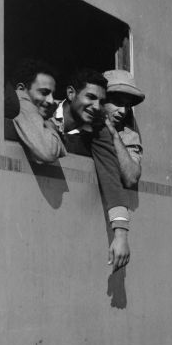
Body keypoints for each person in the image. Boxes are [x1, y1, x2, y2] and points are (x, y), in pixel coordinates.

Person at [50, 68, 131, 271]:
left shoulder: (99, 130)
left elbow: (111, 178)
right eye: (91, 97)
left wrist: (120, 235)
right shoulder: (46, 109)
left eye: (102, 102)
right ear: (70, 94)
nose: (97, 107)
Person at [11, 58, 66, 163]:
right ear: (21, 89)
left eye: (52, 95)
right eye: (44, 92)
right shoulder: (22, 103)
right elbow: (49, 152)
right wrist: (51, 127)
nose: (51, 100)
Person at [102, 69, 145, 189]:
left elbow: (131, 178)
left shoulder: (128, 135)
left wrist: (114, 135)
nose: (123, 111)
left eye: (127, 106)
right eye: (118, 102)